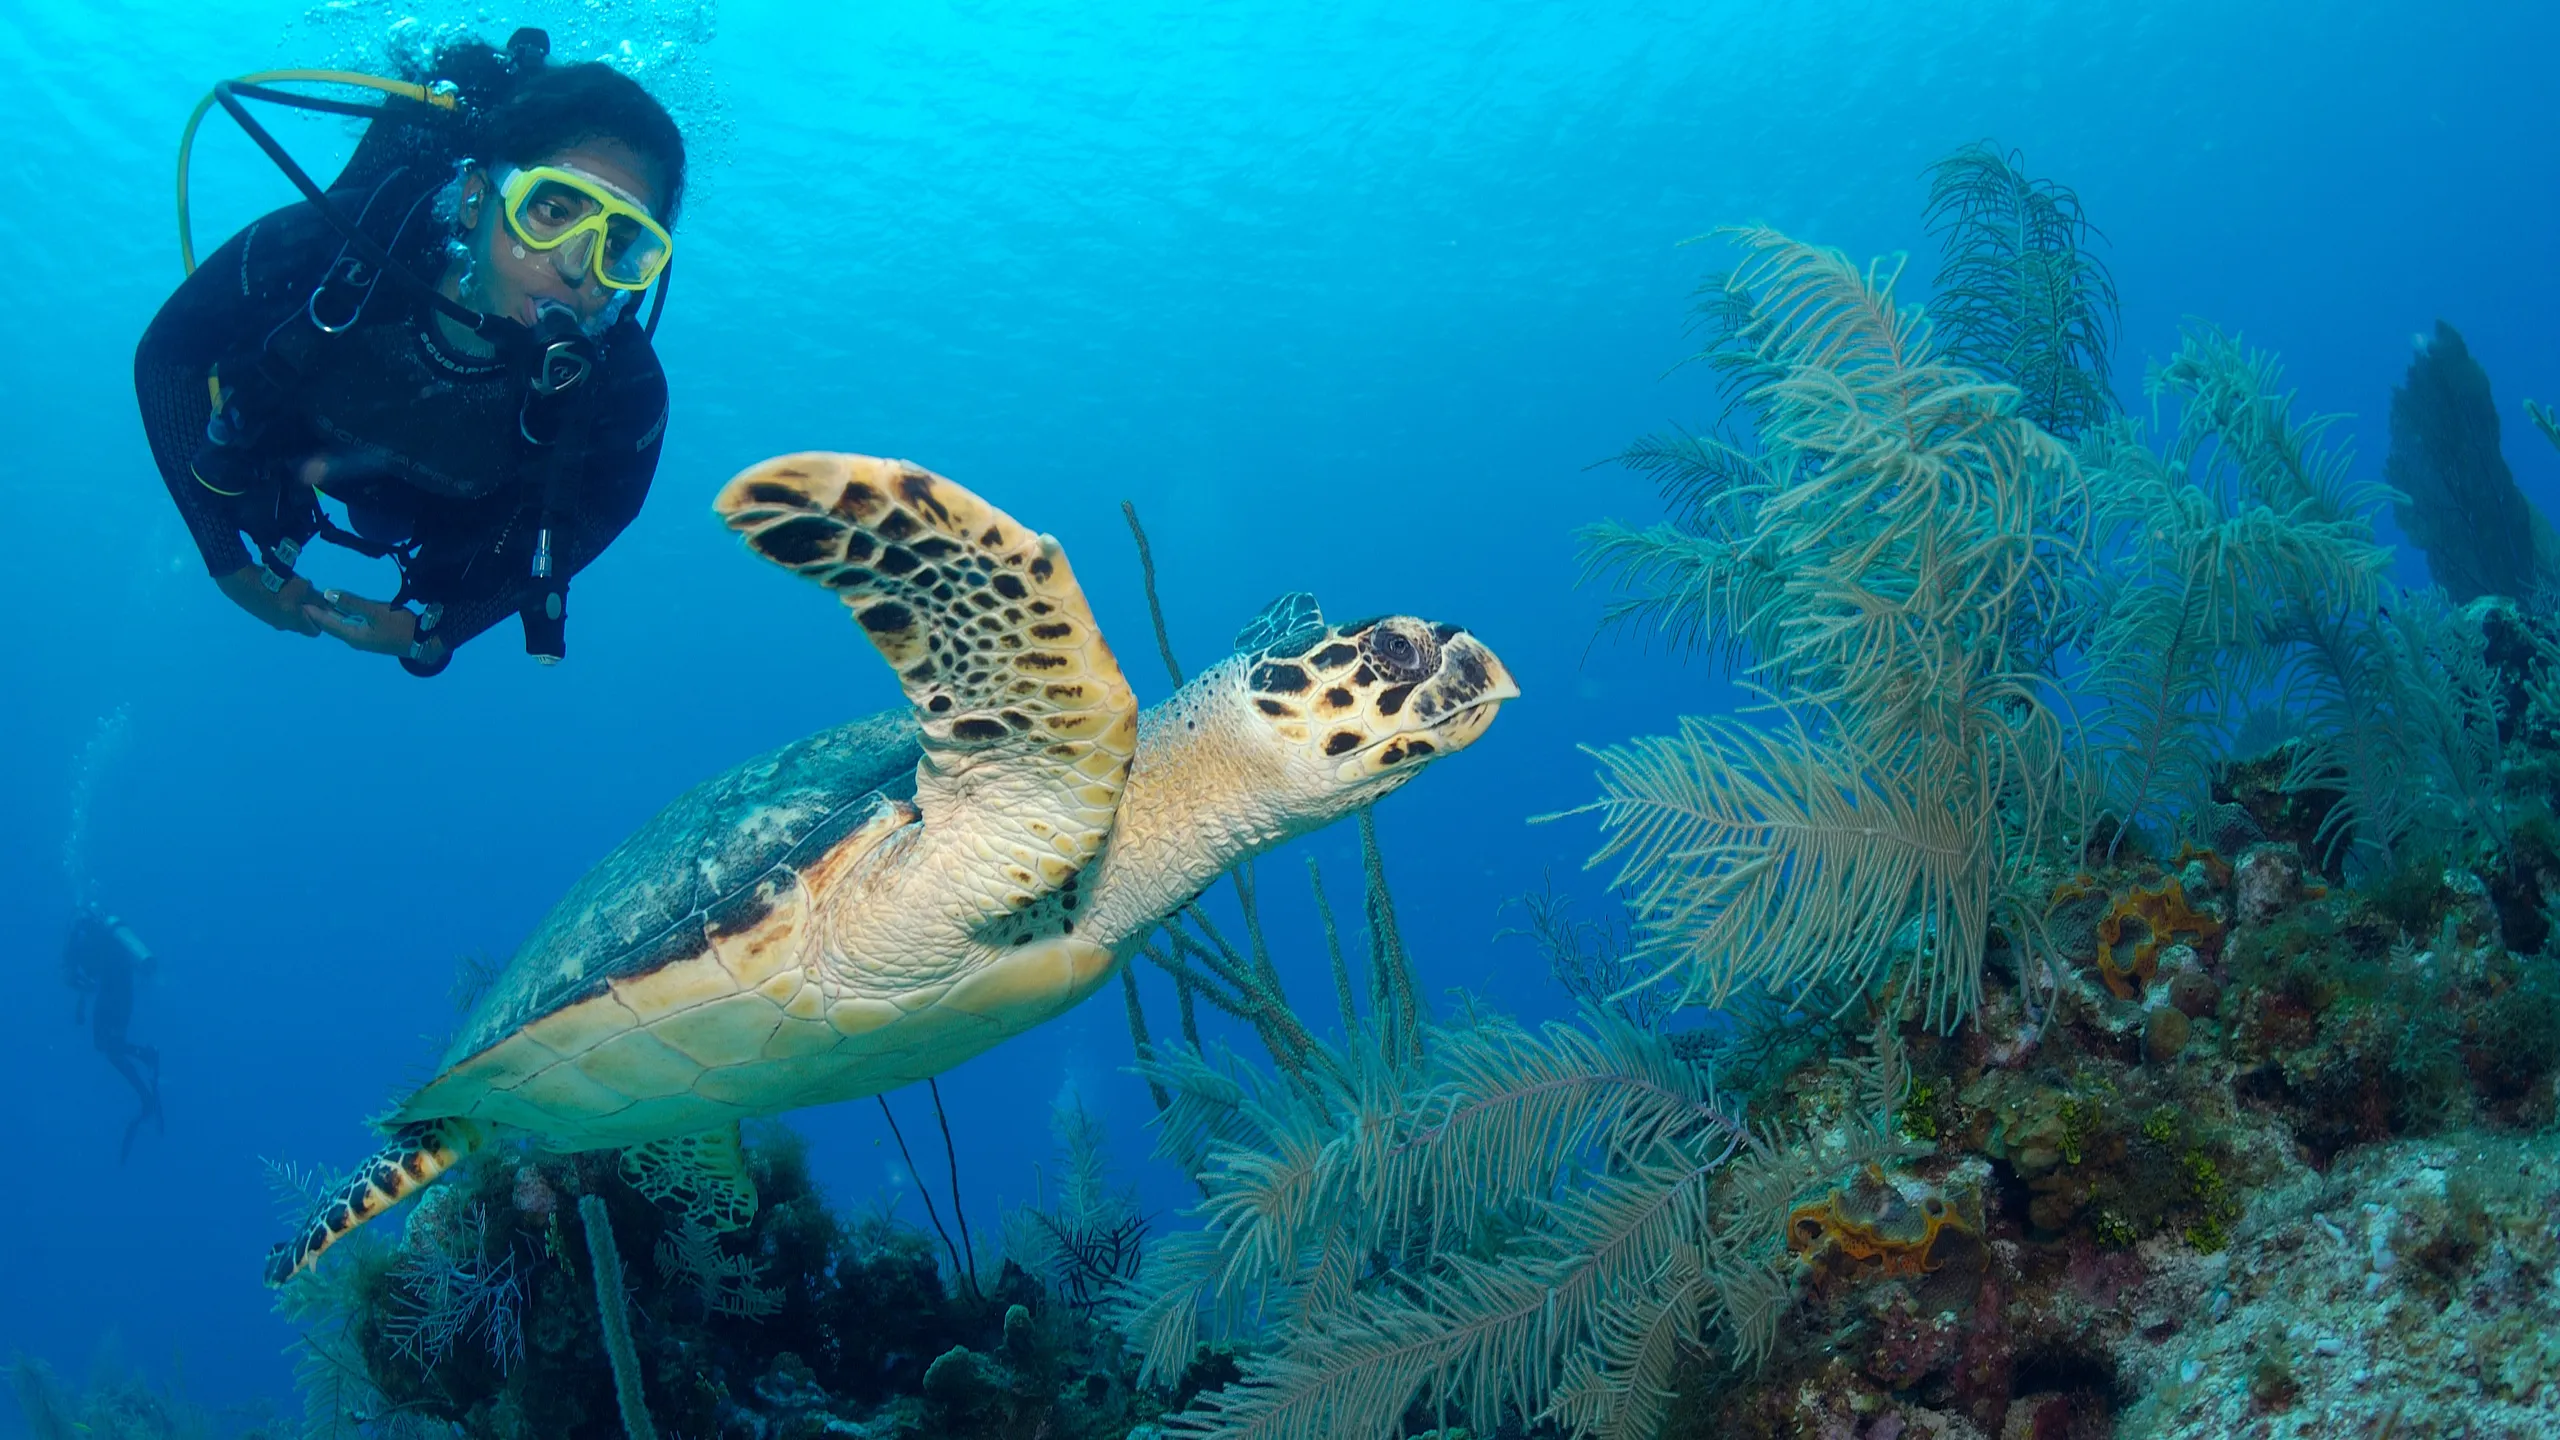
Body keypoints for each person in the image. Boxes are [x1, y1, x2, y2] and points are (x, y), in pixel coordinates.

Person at [138, 31, 685, 675]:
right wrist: (226, 560)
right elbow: (169, 357)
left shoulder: (624, 393)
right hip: (296, 460)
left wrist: (442, 627)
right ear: (478, 199)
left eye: (619, 246)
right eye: (552, 209)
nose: (576, 268)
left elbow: (601, 509)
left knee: (394, 524)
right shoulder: (325, 247)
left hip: (440, 516)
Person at [63, 906, 163, 1161]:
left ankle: (146, 1069)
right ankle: (145, 1075)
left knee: (107, 1046)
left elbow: (75, 975)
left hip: (111, 994)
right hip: (122, 991)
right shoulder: (103, 933)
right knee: (109, 1046)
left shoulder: (80, 938)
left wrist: (81, 997)